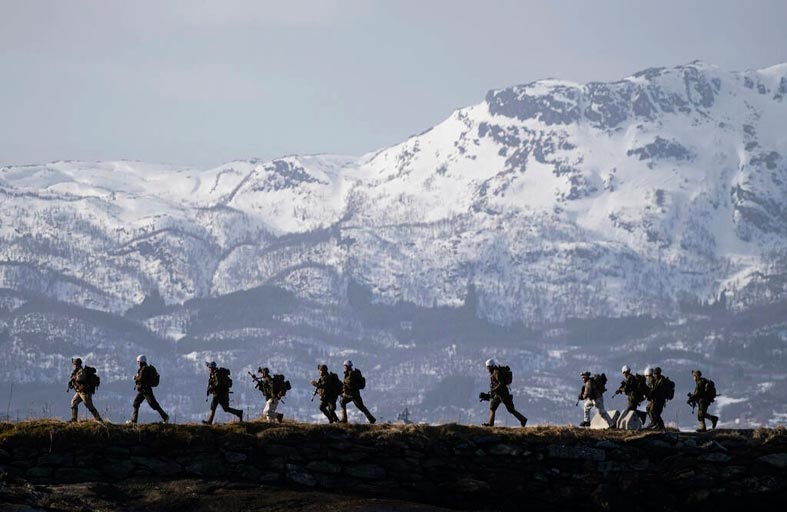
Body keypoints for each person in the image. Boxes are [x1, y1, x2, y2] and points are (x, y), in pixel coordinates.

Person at [480, 359, 527, 427]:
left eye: (487, 367)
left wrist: (494, 390)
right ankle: (490, 424)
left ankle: (523, 420)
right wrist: (491, 394)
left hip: (503, 394)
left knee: (511, 409)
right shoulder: (494, 372)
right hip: (498, 394)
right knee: (492, 408)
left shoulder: (496, 372)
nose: (487, 369)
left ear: (490, 366)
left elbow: (501, 383)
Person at [129, 354, 168, 425]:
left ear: (140, 361)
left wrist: (135, 378)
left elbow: (141, 379)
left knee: (154, 405)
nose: (137, 363)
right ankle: (133, 421)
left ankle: (165, 417)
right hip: (143, 390)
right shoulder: (144, 368)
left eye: (138, 362)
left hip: (146, 390)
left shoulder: (144, 369)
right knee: (136, 403)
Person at [67, 357, 103, 423]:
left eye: (74, 365)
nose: (73, 366)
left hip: (85, 393)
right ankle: (74, 420)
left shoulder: (81, 372)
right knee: (73, 402)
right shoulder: (77, 371)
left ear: (77, 365)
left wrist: (73, 381)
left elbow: (80, 380)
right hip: (79, 392)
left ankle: (99, 420)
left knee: (90, 406)